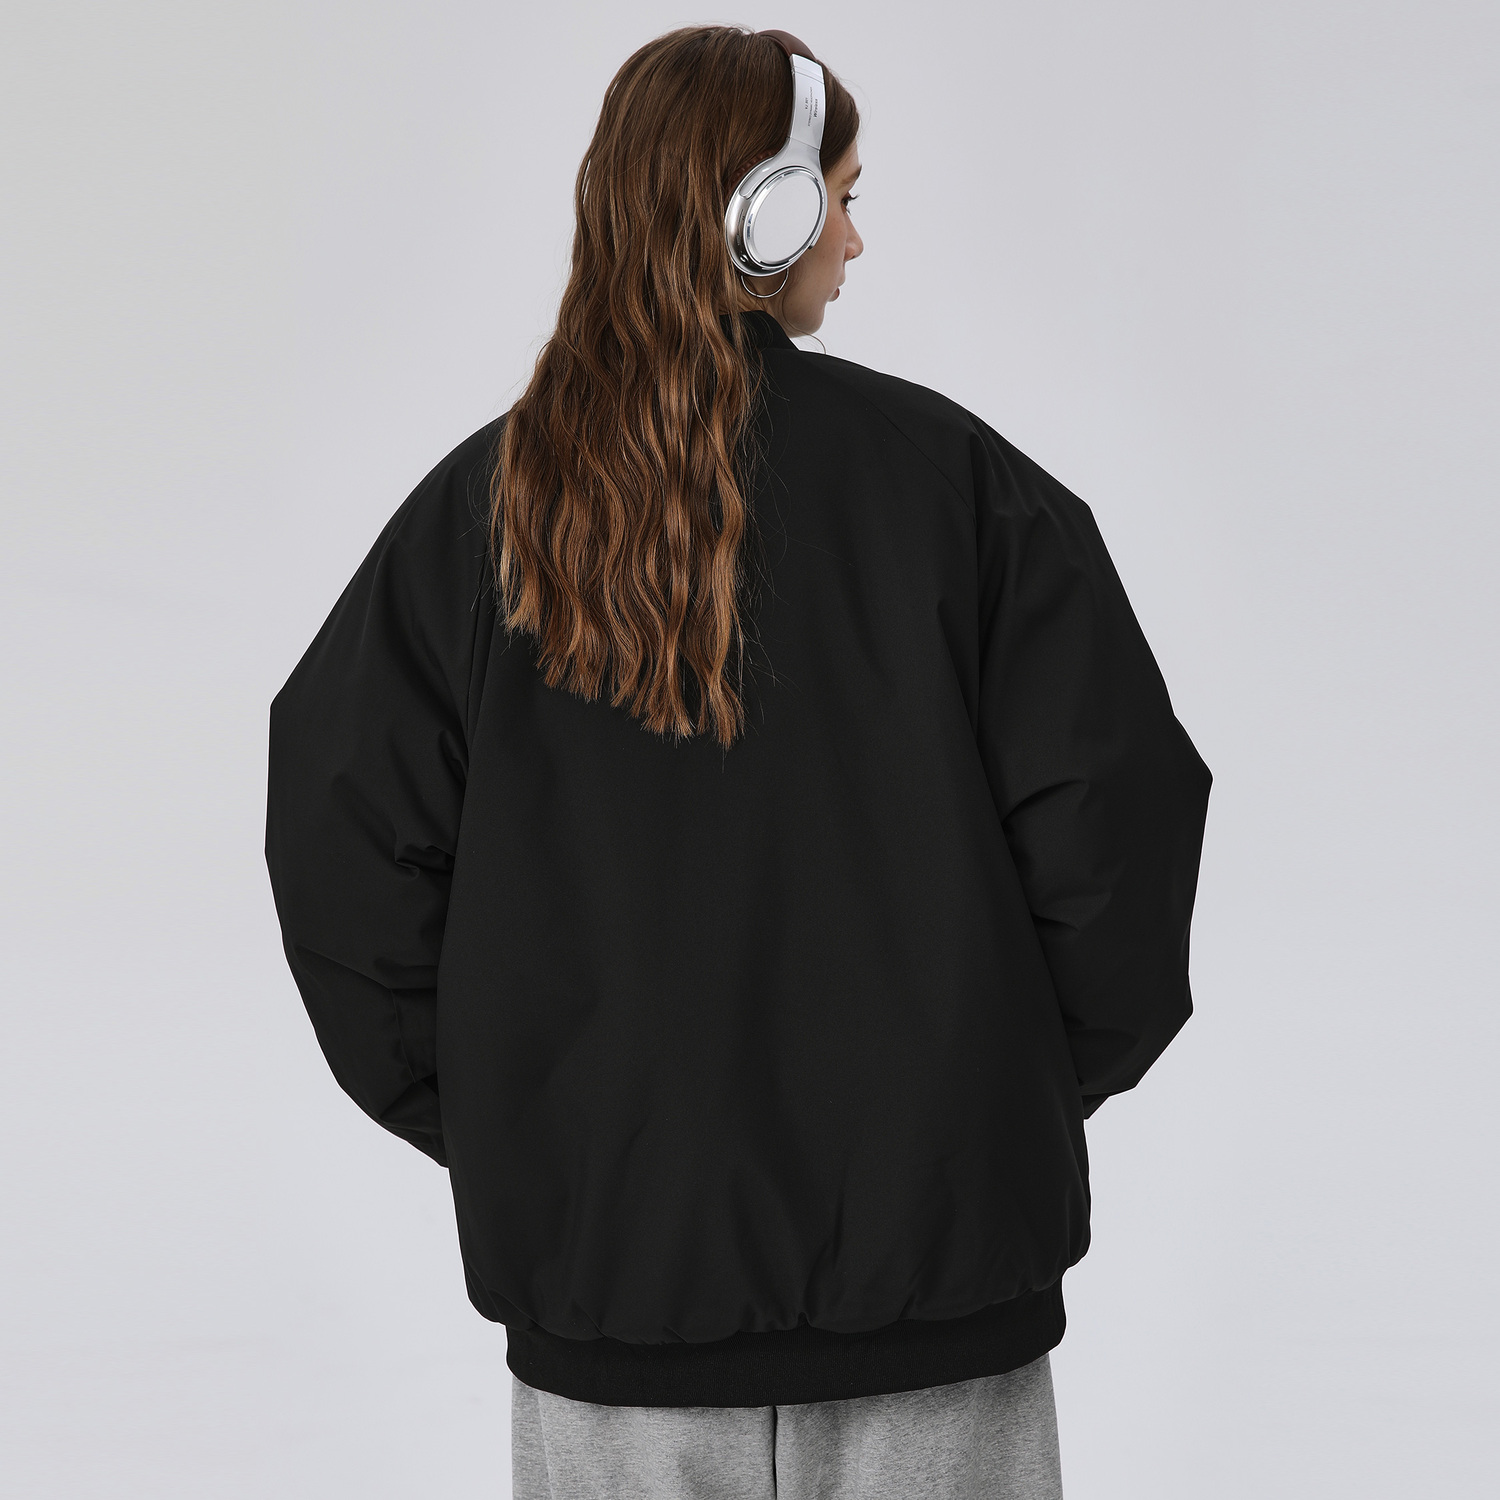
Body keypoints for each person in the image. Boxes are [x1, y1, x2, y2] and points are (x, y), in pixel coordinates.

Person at [264, 24, 1211, 1500]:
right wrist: (986, 1094)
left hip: (613, 1327)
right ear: (762, 214)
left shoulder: (481, 515)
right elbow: (1123, 838)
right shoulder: (961, 487)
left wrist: (534, 1125)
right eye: (840, 196)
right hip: (942, 1324)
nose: (855, 237)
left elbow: (341, 853)